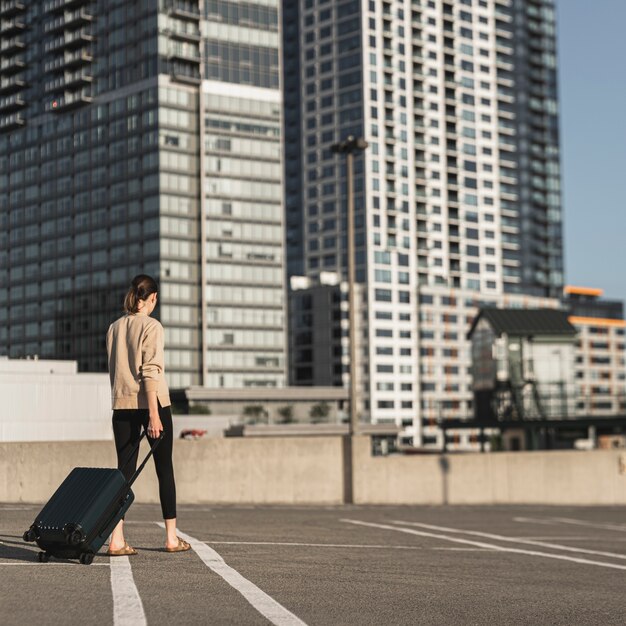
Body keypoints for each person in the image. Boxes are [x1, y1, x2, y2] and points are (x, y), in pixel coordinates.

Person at [105, 274, 190, 555]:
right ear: (152, 298)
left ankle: (116, 539)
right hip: (153, 404)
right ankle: (171, 538)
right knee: (164, 470)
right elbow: (150, 371)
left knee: (123, 474)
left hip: (122, 407)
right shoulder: (152, 326)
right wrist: (154, 414)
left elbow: (116, 372)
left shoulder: (114, 328)